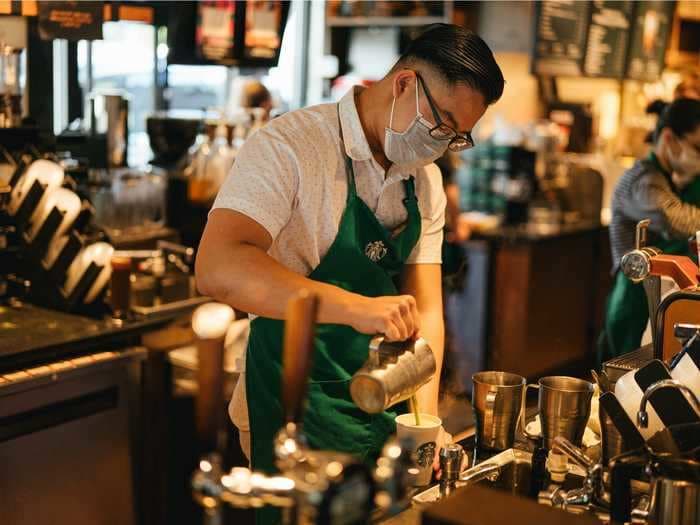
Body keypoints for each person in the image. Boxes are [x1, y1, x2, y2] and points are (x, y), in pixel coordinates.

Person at [196, 24, 504, 517]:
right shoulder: (291, 146)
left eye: (458, 137)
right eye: (442, 124)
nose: (444, 145)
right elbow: (217, 265)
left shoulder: (423, 180)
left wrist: (423, 422)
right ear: (404, 84)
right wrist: (356, 309)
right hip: (292, 405)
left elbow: (426, 311)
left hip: (381, 405)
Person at [600, 98, 700, 362]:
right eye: (698, 147)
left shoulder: (666, 178)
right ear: (669, 138)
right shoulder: (643, 181)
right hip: (635, 299)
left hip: (656, 296)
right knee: (627, 381)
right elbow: (676, 220)